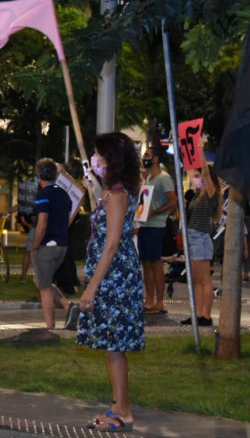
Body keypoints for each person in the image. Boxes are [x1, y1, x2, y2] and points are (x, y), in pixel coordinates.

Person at [78, 132, 144, 432]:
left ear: (112, 160)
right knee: (111, 347)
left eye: (99, 156)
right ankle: (117, 406)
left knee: (115, 348)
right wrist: (94, 188)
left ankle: (123, 412)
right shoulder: (115, 192)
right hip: (114, 275)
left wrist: (92, 286)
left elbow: (112, 244)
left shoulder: (117, 197)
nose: (96, 160)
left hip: (115, 279)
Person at [30, 158, 78, 329]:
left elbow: (42, 224)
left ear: (39, 173)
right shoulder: (63, 193)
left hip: (47, 245)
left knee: (43, 287)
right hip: (62, 244)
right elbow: (68, 218)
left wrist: (35, 246)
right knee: (41, 280)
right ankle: (68, 306)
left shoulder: (43, 194)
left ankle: (50, 327)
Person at [181, 161, 221, 326]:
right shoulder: (198, 195)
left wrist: (201, 154)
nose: (196, 178)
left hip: (200, 238)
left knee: (204, 279)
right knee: (196, 279)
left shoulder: (212, 193)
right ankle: (198, 314)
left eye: (199, 176)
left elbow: (204, 171)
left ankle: (206, 315)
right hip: (192, 237)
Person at [139, 145, 177, 316]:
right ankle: (149, 299)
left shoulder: (163, 178)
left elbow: (172, 202)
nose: (144, 157)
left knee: (156, 263)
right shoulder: (148, 178)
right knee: (146, 263)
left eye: (147, 155)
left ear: (155, 159)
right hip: (145, 225)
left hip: (156, 225)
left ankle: (159, 302)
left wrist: (154, 212)